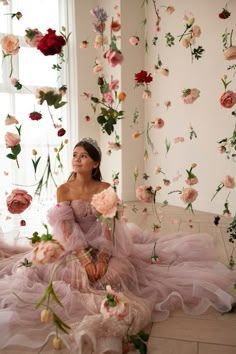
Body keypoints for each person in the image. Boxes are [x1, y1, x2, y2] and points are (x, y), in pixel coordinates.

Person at [0, 137, 235, 354]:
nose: (76, 159)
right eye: (74, 155)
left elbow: (108, 228)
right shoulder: (64, 189)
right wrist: (84, 258)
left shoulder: (104, 189)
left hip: (105, 244)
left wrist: (102, 258)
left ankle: (104, 278)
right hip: (73, 246)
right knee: (61, 272)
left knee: (117, 273)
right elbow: (68, 229)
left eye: (82, 156)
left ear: (95, 163)